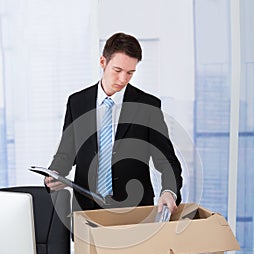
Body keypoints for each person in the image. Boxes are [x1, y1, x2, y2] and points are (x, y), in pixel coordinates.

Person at [45, 32, 182, 214]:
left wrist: (169, 192)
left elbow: (167, 161)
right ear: (103, 62)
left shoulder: (147, 106)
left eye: (130, 72)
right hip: (86, 211)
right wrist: (54, 174)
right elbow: (66, 153)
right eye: (117, 70)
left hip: (134, 212)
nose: (123, 79)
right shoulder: (77, 102)